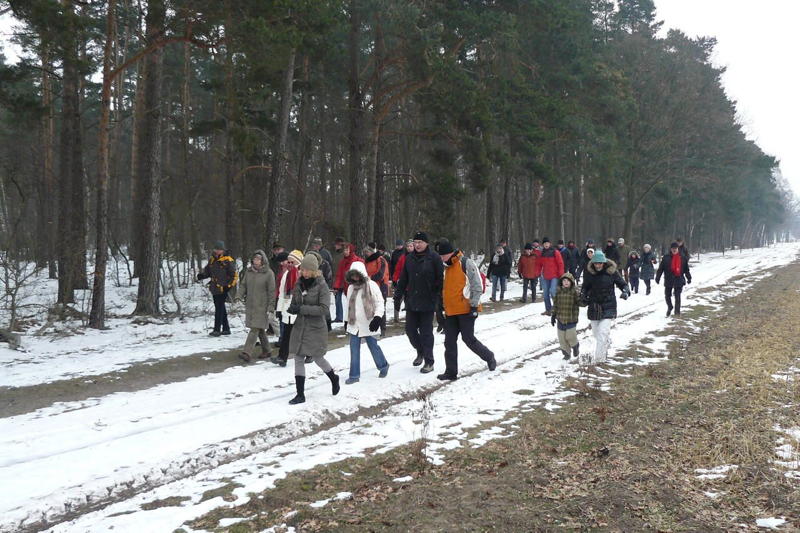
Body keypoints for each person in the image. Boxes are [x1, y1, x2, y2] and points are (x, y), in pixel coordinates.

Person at [435, 239, 497, 381]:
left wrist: (474, 306)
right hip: (450, 311)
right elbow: (443, 289)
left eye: (443, 255)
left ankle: (489, 357)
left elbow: (477, 285)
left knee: (468, 339)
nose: (441, 258)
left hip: (466, 310)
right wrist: (440, 308)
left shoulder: (465, 263)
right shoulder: (445, 267)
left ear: (450, 252)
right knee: (449, 342)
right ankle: (451, 372)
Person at [287, 253, 340, 404]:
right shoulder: (299, 284)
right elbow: (296, 302)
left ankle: (333, 377)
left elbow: (324, 309)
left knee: (318, 357)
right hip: (300, 326)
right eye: (301, 269)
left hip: (316, 328)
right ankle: (300, 394)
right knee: (298, 357)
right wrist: (292, 307)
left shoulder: (322, 286)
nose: (302, 272)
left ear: (313, 270)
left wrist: (302, 309)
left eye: (305, 270)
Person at [393, 231, 443, 373]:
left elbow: (440, 280)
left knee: (426, 332)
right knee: (410, 330)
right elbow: (403, 280)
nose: (417, 245)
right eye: (415, 242)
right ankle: (420, 351)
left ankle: (429, 361)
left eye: (420, 242)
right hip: (412, 301)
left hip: (428, 301)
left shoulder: (434, 258)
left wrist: (438, 298)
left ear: (426, 243)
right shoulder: (409, 258)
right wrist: (398, 297)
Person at [343, 261, 390, 384]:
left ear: (362, 274)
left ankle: (383, 366)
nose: (355, 277)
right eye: (353, 275)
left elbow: (380, 302)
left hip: (369, 323)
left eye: (357, 275)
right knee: (354, 349)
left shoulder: (372, 285)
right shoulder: (350, 288)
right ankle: (354, 375)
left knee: (373, 346)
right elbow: (348, 305)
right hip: (354, 324)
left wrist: (377, 318)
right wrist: (346, 321)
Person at [580, 250, 630, 364]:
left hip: (608, 306)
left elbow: (622, 283)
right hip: (594, 306)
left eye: (600, 263)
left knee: (602, 334)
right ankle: (606, 343)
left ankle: (599, 361)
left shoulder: (611, 272)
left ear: (604, 262)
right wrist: (583, 295)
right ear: (593, 263)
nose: (598, 265)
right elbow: (585, 287)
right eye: (596, 263)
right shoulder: (589, 273)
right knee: (597, 334)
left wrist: (625, 291)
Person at [236, 250, 275, 363]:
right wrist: (238, 296)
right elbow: (243, 285)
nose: (256, 261)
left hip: (262, 306)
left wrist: (271, 307)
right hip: (251, 305)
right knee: (259, 328)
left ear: (263, 260)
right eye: (255, 258)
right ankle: (267, 350)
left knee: (254, 328)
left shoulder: (268, 273)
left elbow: (272, 291)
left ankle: (247, 352)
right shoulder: (249, 272)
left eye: (258, 259)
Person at [197, 241, 238, 336]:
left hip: (223, 288)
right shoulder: (212, 260)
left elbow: (234, 276)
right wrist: (202, 275)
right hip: (214, 288)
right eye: (216, 249)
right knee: (221, 308)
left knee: (219, 308)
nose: (217, 251)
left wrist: (228, 286)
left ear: (223, 250)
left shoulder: (228, 260)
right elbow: (208, 272)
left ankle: (217, 329)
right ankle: (226, 328)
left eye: (219, 249)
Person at [272, 249, 303, 366]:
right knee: (286, 335)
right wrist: (279, 309)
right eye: (288, 262)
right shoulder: (286, 274)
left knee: (301, 335)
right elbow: (281, 293)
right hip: (288, 310)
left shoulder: (302, 274)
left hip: (298, 310)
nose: (290, 264)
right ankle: (282, 357)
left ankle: (309, 354)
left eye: (292, 262)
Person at [655, 242, 691, 317]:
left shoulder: (682, 257)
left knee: (677, 296)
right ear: (670, 249)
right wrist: (658, 277)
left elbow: (686, 269)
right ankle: (670, 306)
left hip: (679, 279)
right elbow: (661, 268)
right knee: (667, 296)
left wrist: (689, 278)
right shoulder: (666, 257)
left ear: (678, 249)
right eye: (673, 249)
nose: (674, 250)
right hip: (668, 279)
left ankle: (677, 312)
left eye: (675, 248)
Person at [551, 272, 580, 361]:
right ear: (561, 282)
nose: (566, 282)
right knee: (562, 339)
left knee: (570, 336)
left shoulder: (574, 292)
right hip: (560, 318)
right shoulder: (558, 292)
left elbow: (579, 302)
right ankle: (566, 353)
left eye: (568, 281)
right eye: (564, 281)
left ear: (571, 282)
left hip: (571, 318)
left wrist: (584, 299)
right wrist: (553, 315)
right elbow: (555, 304)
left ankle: (575, 346)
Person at [363, 243, 390, 335]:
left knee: (380, 307)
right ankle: (371, 328)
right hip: (369, 286)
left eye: (367, 251)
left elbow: (381, 275)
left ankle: (383, 329)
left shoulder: (381, 260)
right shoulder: (366, 261)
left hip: (381, 286)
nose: (366, 253)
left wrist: (369, 277)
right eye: (365, 252)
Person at [332, 242, 362, 323]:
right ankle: (341, 318)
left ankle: (355, 319)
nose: (345, 252)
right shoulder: (342, 262)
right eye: (344, 250)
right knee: (340, 300)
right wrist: (336, 287)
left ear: (350, 250)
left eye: (347, 250)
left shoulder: (357, 260)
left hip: (355, 286)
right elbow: (339, 275)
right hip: (344, 286)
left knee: (355, 304)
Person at [538, 237, 565, 315]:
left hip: (554, 276)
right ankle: (548, 310)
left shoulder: (555, 252)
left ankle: (557, 308)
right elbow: (539, 264)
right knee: (545, 293)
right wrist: (538, 272)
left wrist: (561, 275)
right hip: (545, 276)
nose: (546, 245)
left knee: (553, 291)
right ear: (543, 245)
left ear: (550, 244)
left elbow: (560, 264)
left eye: (547, 243)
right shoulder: (541, 253)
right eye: (544, 243)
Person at [391, 240, 414, 323]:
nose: (409, 248)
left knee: (410, 302)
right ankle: (396, 318)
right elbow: (397, 269)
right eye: (408, 246)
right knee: (398, 300)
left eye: (411, 246)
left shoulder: (417, 256)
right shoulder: (403, 257)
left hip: (414, 284)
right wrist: (394, 279)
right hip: (403, 283)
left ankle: (411, 319)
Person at [330, 237, 346, 322]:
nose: (335, 246)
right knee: (337, 299)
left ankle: (343, 317)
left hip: (343, 280)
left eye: (336, 244)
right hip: (336, 280)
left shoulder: (344, 255)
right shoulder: (335, 255)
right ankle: (339, 316)